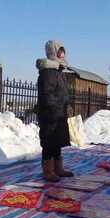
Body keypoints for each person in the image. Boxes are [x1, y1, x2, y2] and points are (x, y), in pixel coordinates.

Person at [36, 40, 74, 182]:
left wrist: (66, 106)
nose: (63, 55)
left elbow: (61, 93)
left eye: (63, 52)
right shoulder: (48, 72)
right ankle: (48, 170)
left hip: (59, 113)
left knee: (57, 142)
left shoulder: (58, 71)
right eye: (60, 52)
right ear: (54, 53)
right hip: (50, 115)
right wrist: (54, 110)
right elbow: (47, 95)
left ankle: (58, 168)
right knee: (49, 143)